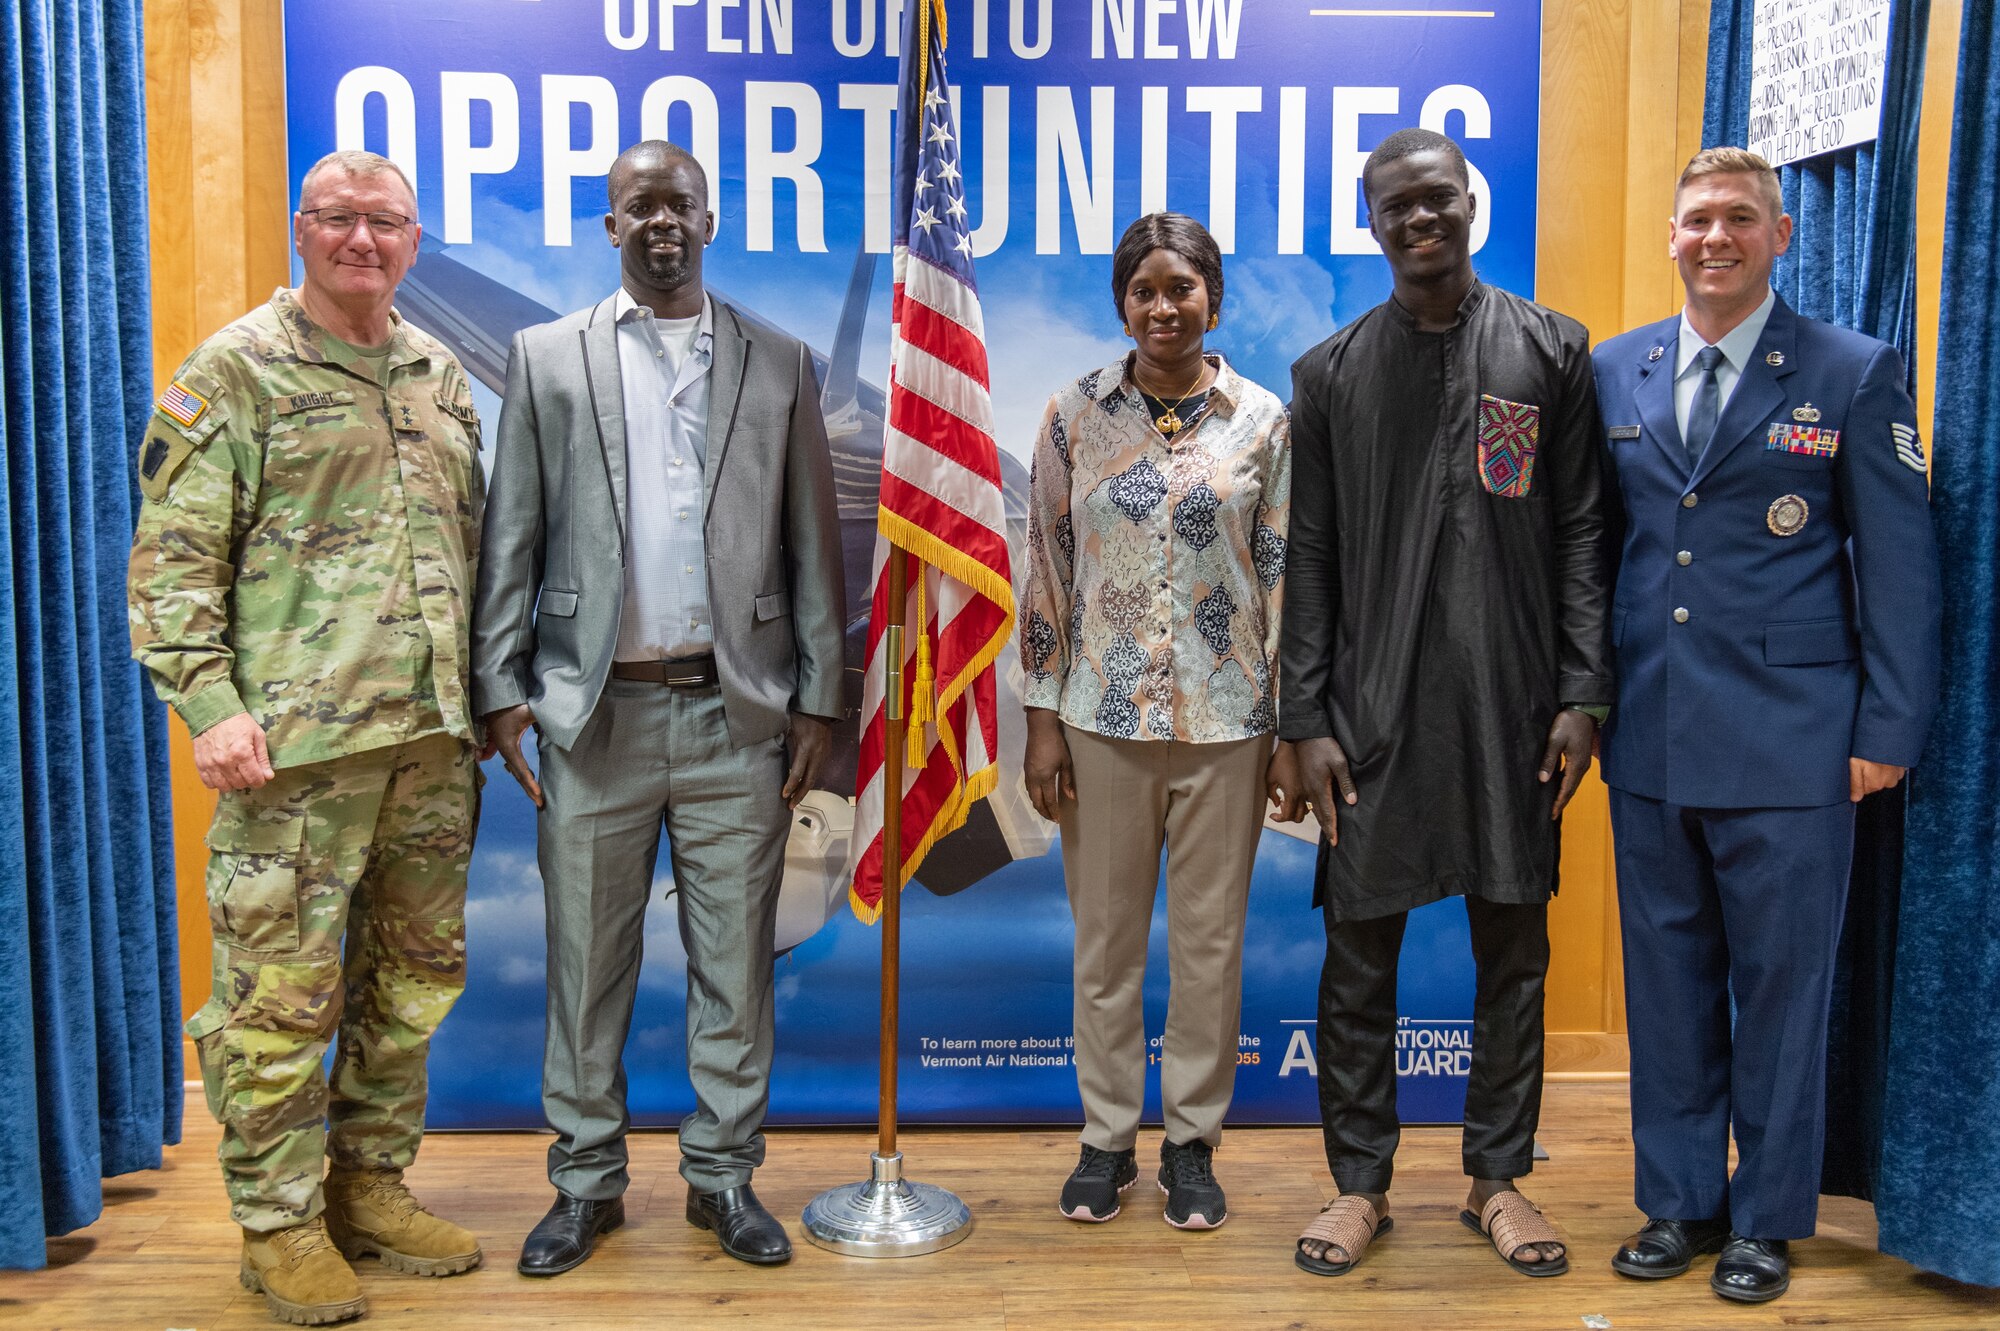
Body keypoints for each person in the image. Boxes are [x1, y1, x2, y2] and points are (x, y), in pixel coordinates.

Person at [472, 140, 845, 1275]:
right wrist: (499, 684)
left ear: (711, 219)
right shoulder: (546, 358)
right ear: (610, 225)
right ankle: (584, 1183)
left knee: (734, 966)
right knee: (585, 966)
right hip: (594, 716)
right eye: (639, 207)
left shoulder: (777, 361)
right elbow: (513, 533)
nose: (661, 222)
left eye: (679, 203)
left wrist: (822, 696)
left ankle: (722, 1177)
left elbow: (813, 546)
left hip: (737, 717)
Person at [129, 149, 485, 1326]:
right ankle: (277, 1225)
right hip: (292, 756)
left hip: (431, 749)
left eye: (385, 223)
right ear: (301, 229)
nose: (363, 241)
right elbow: (172, 563)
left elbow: (476, 551)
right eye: (339, 219)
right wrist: (209, 703)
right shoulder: (233, 372)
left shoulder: (441, 377)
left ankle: (367, 1186)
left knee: (411, 983)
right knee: (279, 998)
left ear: (415, 241)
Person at [1590, 147, 1941, 1304]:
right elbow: (1593, 559)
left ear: (1779, 236)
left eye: (1738, 218)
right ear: (1672, 235)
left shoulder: (1849, 370)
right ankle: (1679, 1201)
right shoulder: (1613, 370)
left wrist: (1887, 724)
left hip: (1793, 740)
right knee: (1667, 985)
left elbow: (1898, 568)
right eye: (1694, 219)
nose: (1713, 238)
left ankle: (1765, 1216)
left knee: (1782, 995)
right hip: (1646, 735)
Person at [1280, 128, 1614, 1279]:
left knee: (1511, 950)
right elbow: (1309, 556)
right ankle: (1357, 1184)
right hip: (1368, 713)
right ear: (1370, 224)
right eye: (1394, 208)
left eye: (1435, 200)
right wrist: (1303, 719)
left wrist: (1581, 691)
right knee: (1356, 956)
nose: (1418, 221)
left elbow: (1580, 529)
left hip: (1512, 708)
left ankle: (1496, 1179)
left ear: (1468, 201)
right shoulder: (1327, 373)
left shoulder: (1549, 349)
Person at [1021, 211, 1299, 1232]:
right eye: (1143, 290)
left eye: (1180, 288)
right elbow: (1045, 567)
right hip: (1098, 716)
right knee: (1104, 944)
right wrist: (1041, 718)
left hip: (1227, 721)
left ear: (1210, 299)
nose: (1162, 306)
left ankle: (1189, 1142)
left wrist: (1283, 723)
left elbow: (1284, 576)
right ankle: (1105, 1138)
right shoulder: (1071, 415)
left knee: (1208, 943)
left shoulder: (1263, 420)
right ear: (1121, 303)